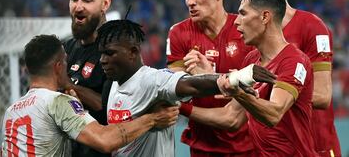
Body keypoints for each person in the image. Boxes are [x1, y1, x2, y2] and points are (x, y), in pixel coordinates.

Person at [97, 19, 275, 157]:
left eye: (110, 53)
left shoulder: (152, 80)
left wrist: (238, 77)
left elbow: (193, 84)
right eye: (101, 53)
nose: (103, 60)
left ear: (133, 52)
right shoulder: (113, 82)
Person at [186, 0, 317, 156]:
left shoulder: (294, 60)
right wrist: (180, 107)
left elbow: (274, 114)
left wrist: (239, 93)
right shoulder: (251, 60)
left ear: (264, 17)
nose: (236, 21)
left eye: (243, 13)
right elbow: (231, 116)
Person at [1, 34, 179, 157]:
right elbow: (104, 140)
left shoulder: (11, 111)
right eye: (65, 61)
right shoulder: (57, 102)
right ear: (58, 66)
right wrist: (153, 119)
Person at [239, 0, 340, 157]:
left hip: (316, 145)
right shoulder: (253, 37)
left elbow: (323, 94)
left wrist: (277, 92)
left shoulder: (313, 27)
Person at [166, 0, 254, 156]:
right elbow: (175, 90)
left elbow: (255, 93)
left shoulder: (245, 29)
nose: (190, 1)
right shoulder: (178, 33)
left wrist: (206, 78)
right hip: (202, 146)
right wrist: (187, 78)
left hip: (249, 145)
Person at [64, 0, 112, 156]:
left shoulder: (116, 50)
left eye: (87, 0)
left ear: (105, 4)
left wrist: (66, 84)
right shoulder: (66, 49)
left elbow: (109, 106)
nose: (78, 7)